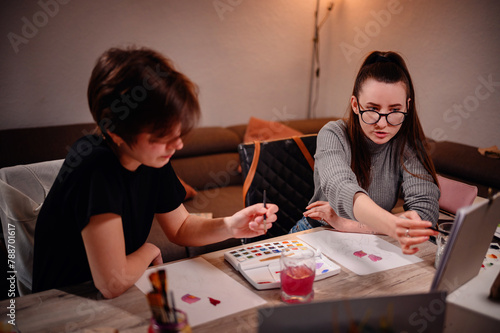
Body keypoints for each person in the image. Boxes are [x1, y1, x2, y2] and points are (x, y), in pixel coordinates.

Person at [32, 46, 278, 298]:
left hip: (121, 291)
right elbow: (112, 282)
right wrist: (148, 249)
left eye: (177, 132)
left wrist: (230, 226)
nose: (178, 144)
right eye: (162, 136)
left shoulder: (152, 159)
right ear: (116, 132)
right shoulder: (94, 166)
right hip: (64, 300)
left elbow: (181, 226)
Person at [290, 51, 440, 255]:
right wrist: (392, 225)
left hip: (375, 240)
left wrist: (351, 225)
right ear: (355, 105)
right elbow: (341, 186)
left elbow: (425, 214)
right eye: (372, 109)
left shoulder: (407, 145)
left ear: (407, 107)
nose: (382, 123)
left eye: (395, 111)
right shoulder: (333, 133)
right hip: (319, 232)